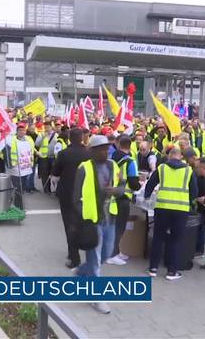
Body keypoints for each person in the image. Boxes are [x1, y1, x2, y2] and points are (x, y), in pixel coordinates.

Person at [72, 135, 124, 314]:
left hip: (110, 218)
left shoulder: (113, 165)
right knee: (95, 263)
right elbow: (75, 197)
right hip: (92, 221)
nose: (106, 151)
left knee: (106, 254)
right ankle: (96, 298)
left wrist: (118, 191)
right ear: (92, 151)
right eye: (101, 148)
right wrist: (84, 219)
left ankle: (81, 272)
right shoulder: (84, 168)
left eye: (107, 148)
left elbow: (123, 185)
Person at [144, 147, 198, 280]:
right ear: (180, 157)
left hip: (162, 207)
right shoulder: (188, 170)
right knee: (175, 240)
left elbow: (150, 184)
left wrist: (146, 196)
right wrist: (190, 202)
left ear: (169, 156)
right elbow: (194, 191)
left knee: (158, 238)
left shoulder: (162, 168)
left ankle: (153, 268)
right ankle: (172, 271)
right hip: (180, 209)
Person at [52, 128, 91, 269]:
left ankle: (74, 257)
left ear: (69, 138)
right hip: (86, 194)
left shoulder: (63, 154)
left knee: (70, 225)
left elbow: (55, 175)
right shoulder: (89, 153)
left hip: (67, 194)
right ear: (81, 138)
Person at [107, 135, 141, 266]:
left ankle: (115, 251)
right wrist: (139, 185)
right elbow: (133, 182)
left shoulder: (111, 157)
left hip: (111, 195)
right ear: (130, 145)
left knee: (112, 225)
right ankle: (112, 254)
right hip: (123, 196)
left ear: (118, 144)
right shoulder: (130, 161)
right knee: (119, 227)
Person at [6, 122, 37, 207]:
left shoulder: (29, 139)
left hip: (25, 169)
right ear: (17, 131)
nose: (21, 132)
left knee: (21, 187)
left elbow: (32, 149)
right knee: (18, 188)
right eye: (19, 130)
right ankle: (19, 206)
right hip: (15, 169)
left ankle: (14, 202)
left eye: (23, 130)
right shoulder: (12, 140)